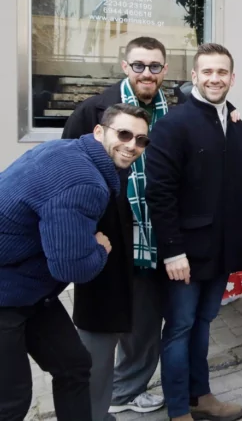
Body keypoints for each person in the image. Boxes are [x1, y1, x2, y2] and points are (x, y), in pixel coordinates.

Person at [0, 103, 150, 421]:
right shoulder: (85, 183)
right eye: (124, 134)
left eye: (141, 140)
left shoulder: (66, 150)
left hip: (30, 291)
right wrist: (100, 248)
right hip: (5, 295)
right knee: (11, 401)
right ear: (98, 131)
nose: (132, 146)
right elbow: (72, 268)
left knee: (75, 366)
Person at [62, 36, 170, 418]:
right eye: (139, 65)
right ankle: (93, 403)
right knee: (101, 327)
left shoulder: (172, 113)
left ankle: (127, 390)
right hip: (108, 236)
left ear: (164, 71)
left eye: (154, 66)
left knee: (146, 323)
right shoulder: (93, 110)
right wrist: (81, 228)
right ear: (125, 66)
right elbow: (68, 166)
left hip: (154, 237)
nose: (147, 73)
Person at [146, 43, 242, 421]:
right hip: (184, 253)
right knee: (180, 327)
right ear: (194, 76)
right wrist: (173, 251)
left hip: (220, 249)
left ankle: (200, 395)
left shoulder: (238, 127)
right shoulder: (173, 125)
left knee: (203, 323)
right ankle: (178, 410)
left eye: (221, 72)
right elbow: (159, 192)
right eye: (207, 72)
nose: (214, 78)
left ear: (232, 78)